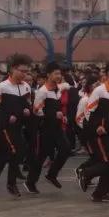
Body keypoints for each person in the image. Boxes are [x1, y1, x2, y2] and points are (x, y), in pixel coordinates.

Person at [0, 56, 32, 198]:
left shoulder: (26, 87)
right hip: (4, 126)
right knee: (14, 151)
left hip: (18, 126)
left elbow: (27, 103)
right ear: (13, 70)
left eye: (26, 71)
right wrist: (6, 117)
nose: (24, 74)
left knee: (10, 154)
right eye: (21, 71)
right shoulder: (3, 86)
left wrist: (26, 110)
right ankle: (10, 184)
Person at [78, 61, 109, 202]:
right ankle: (85, 173)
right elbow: (88, 112)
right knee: (108, 163)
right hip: (101, 135)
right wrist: (97, 125)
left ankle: (100, 193)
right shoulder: (99, 91)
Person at [26, 62, 71, 193]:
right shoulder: (42, 91)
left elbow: (66, 85)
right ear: (48, 75)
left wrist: (62, 116)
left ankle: (52, 174)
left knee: (66, 148)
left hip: (57, 127)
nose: (59, 76)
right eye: (56, 74)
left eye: (60, 74)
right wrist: (53, 114)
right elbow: (36, 110)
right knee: (41, 156)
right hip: (45, 128)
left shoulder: (58, 89)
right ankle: (30, 182)